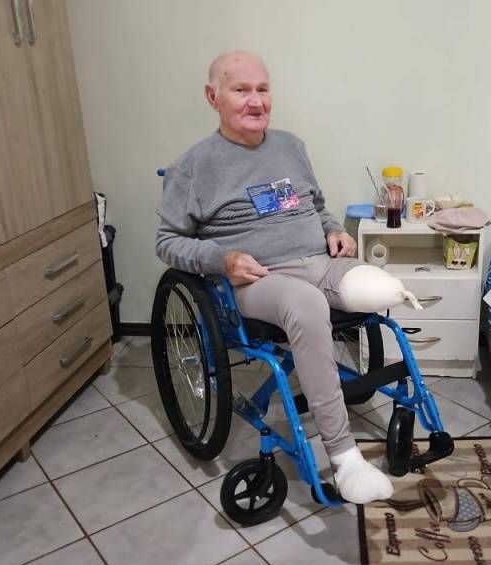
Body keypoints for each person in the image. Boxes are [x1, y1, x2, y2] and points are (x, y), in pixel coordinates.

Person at [156, 51, 394, 504]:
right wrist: (222, 259)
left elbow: (315, 205)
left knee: (377, 284)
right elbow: (167, 242)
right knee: (307, 305)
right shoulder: (193, 166)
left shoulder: (291, 146)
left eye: (262, 89)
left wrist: (334, 229)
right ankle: (344, 456)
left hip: (318, 262)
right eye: (241, 90)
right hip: (259, 280)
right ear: (213, 97)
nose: (256, 101)